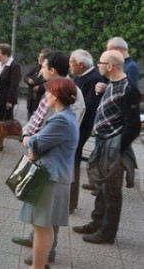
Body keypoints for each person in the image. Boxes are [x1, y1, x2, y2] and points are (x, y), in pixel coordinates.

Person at [72, 50, 140, 244]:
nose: (98, 66)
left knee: (112, 191)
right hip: (103, 142)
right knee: (102, 187)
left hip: (113, 146)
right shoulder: (112, 83)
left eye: (101, 62)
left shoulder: (128, 88)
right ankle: (96, 222)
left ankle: (107, 232)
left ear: (110, 66)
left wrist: (118, 147)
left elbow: (133, 126)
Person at [20, 78, 79, 269]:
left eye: (48, 93)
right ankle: (42, 264)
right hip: (54, 176)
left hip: (50, 178)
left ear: (55, 96)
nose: (45, 96)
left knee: (41, 226)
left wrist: (28, 139)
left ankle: (37, 266)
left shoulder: (61, 119)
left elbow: (37, 142)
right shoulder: (66, 116)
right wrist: (34, 140)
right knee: (45, 225)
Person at [68, 49, 104, 211]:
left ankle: (70, 203)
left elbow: (87, 108)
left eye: (72, 62)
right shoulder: (82, 76)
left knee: (73, 165)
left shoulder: (94, 78)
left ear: (81, 65)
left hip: (79, 128)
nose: (70, 65)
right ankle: (67, 201)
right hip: (75, 127)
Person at [25, 49, 50, 117]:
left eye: (41, 57)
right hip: (31, 100)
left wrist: (40, 87)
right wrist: (28, 80)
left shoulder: (49, 71)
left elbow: (50, 83)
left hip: (40, 101)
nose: (39, 58)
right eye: (38, 57)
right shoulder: (36, 68)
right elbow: (26, 76)